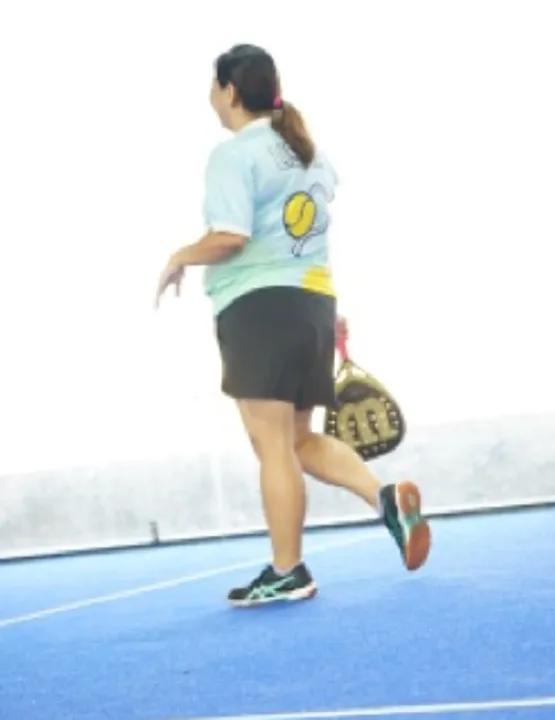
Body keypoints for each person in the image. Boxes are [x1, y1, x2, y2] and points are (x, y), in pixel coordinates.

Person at [155, 44, 430, 607]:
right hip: (312, 307)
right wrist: (325, 311)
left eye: (214, 86)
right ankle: (384, 499)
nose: (211, 96)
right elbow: (305, 237)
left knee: (274, 447)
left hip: (259, 310)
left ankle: (287, 570)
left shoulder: (233, 155)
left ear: (230, 90)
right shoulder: (309, 154)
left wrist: (180, 256)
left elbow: (232, 236)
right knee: (299, 439)